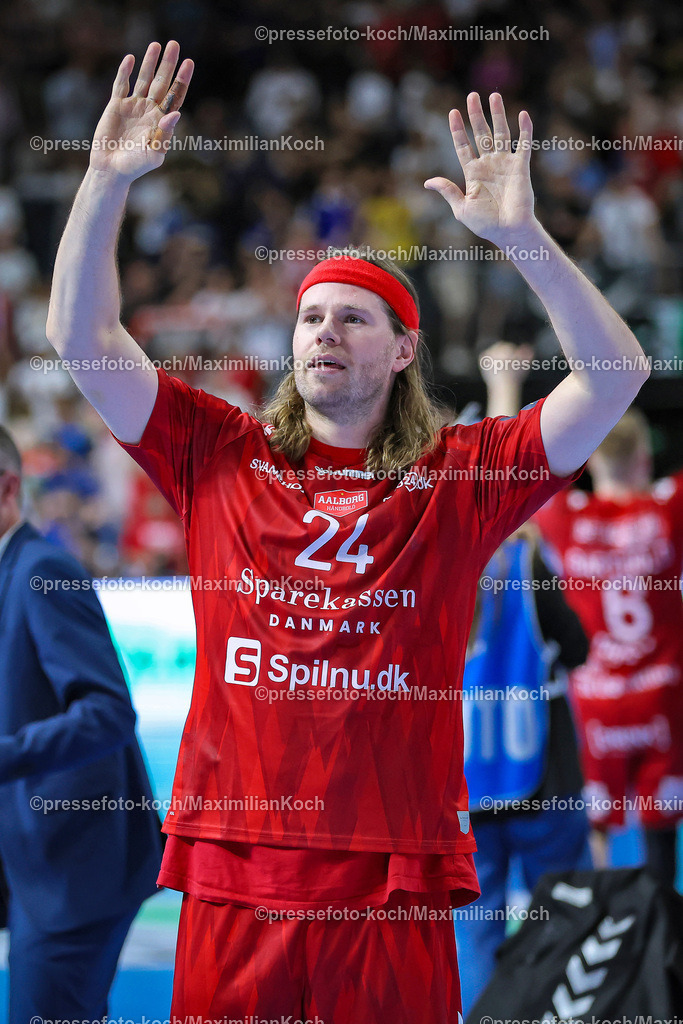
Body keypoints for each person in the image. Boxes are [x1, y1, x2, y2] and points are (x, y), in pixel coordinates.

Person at [46, 39, 650, 1021]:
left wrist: (522, 238)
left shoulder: (455, 481)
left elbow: (612, 378)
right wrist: (103, 182)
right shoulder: (218, 453)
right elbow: (81, 341)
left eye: (353, 318)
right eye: (311, 316)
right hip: (238, 870)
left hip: (389, 879)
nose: (323, 329)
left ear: (404, 348)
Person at [0, 424, 163, 1022]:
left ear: (8, 488)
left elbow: (108, 712)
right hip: (41, 864)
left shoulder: (43, 574)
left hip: (74, 873)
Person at [533, 406, 683, 888]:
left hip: (595, 707)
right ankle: (665, 947)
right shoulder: (667, 512)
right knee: (661, 831)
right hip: (663, 697)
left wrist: (505, 383)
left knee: (594, 829)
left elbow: (515, 476)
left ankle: (601, 941)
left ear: (592, 462)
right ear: (644, 457)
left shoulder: (566, 521)